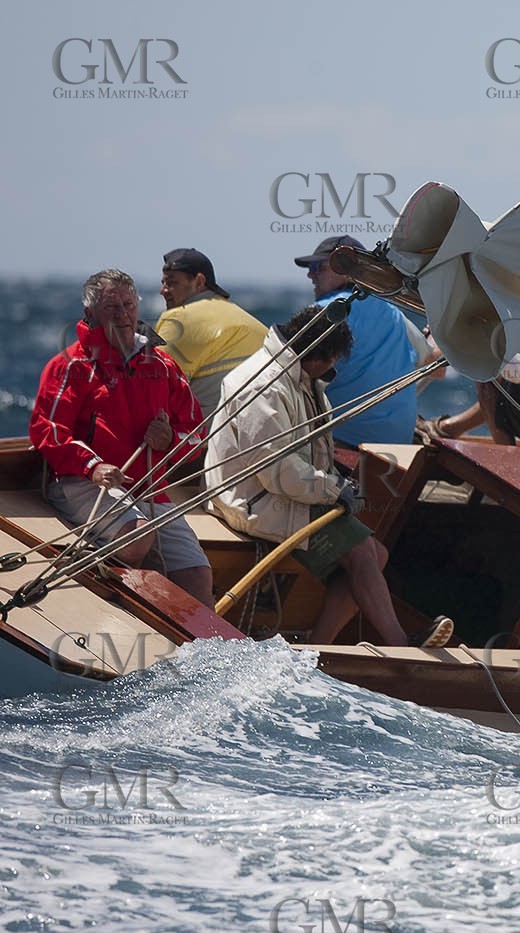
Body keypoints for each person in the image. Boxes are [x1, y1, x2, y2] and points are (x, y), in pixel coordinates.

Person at [205, 305, 452, 648]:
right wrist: (334, 489)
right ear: (322, 358)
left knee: (374, 554)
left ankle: (321, 646)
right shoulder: (264, 387)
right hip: (251, 500)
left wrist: (334, 484)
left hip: (280, 493)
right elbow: (278, 471)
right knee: (364, 552)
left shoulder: (298, 376)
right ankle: (398, 644)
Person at [30, 268, 214, 606]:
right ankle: (115, 609)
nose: (124, 315)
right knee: (137, 538)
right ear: (90, 314)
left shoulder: (163, 366)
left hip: (148, 489)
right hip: (84, 484)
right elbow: (48, 430)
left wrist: (169, 439)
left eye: (128, 305)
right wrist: (94, 467)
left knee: (197, 575)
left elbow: (197, 434)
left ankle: (200, 653)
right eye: (112, 308)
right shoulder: (71, 365)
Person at [294, 236, 427, 447]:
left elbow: (289, 372)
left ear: (344, 268)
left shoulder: (327, 312)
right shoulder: (393, 312)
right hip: (399, 447)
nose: (310, 274)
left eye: (318, 267)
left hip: (347, 446)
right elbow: (428, 359)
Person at [154, 248, 268, 418]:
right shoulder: (258, 326)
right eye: (163, 283)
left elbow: (152, 389)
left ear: (199, 282)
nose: (163, 291)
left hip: (208, 440)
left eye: (171, 283)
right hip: (264, 432)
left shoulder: (179, 319)